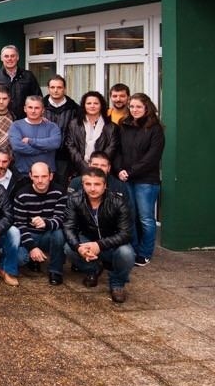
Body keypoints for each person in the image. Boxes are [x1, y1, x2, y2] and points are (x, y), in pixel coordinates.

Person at [63, 167, 134, 303]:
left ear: (105, 186)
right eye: (88, 184)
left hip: (112, 244)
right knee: (68, 247)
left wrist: (99, 244)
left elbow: (126, 233)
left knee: (127, 253)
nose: (92, 188)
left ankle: (117, 283)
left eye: (97, 184)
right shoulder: (75, 200)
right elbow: (68, 227)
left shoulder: (118, 202)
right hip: (88, 240)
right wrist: (79, 248)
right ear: (82, 185)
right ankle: (93, 269)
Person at [116, 92, 165, 267]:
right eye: (132, 106)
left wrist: (130, 171)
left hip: (146, 181)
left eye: (139, 106)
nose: (134, 109)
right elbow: (118, 151)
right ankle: (133, 249)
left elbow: (152, 157)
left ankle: (144, 253)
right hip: (126, 178)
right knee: (130, 216)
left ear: (147, 108)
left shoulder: (155, 129)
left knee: (145, 218)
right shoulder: (124, 125)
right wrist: (120, 169)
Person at [12, 162, 67, 285]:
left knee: (59, 233)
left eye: (44, 176)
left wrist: (46, 223)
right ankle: (33, 259)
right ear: (30, 176)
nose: (40, 180)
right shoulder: (22, 195)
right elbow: (20, 224)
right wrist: (32, 247)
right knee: (20, 259)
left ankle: (55, 271)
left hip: (49, 234)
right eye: (36, 177)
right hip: (29, 234)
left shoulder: (59, 192)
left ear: (50, 176)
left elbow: (61, 219)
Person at [65, 91, 119, 178]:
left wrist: (98, 165)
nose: (92, 106)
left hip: (103, 171)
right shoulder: (74, 124)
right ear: (84, 105)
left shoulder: (111, 126)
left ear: (101, 105)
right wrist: (85, 167)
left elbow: (112, 147)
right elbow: (70, 146)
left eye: (96, 103)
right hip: (79, 169)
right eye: (89, 103)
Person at [8, 95, 62, 177]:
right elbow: (17, 147)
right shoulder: (16, 126)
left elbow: (55, 143)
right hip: (23, 175)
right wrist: (44, 150)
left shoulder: (52, 126)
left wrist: (30, 141)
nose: (33, 111)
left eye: (37, 108)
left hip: (47, 176)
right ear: (25, 109)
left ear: (43, 110)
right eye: (30, 107)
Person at [0, 45, 41, 120]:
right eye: (6, 56)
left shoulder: (28, 76)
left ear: (17, 57)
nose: (9, 59)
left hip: (24, 121)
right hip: (1, 121)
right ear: (1, 58)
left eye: (12, 56)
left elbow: (38, 98)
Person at [43, 75, 78, 181]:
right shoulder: (39, 107)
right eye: (52, 87)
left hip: (65, 157)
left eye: (59, 87)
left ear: (65, 89)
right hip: (43, 155)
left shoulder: (75, 109)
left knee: (61, 188)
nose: (55, 90)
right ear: (48, 88)